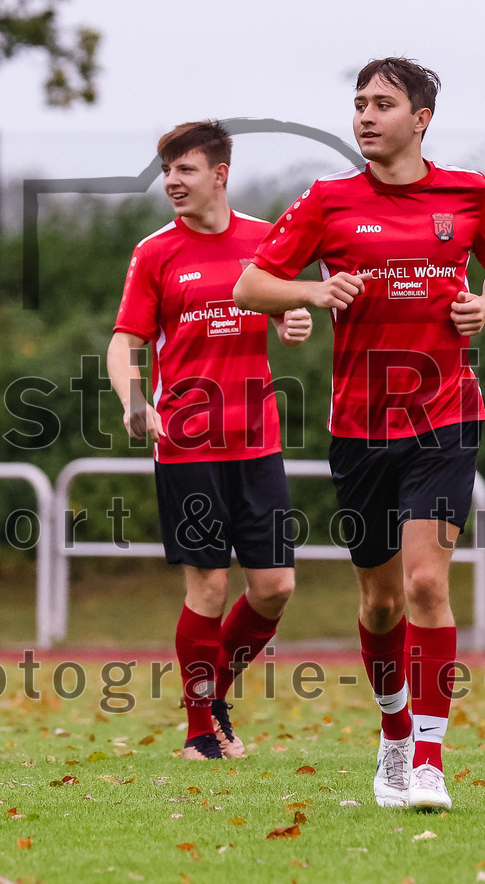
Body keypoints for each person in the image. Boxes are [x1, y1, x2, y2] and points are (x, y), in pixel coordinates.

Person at [234, 58, 485, 808]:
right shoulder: (328, 201)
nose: (364, 116)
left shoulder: (468, 192)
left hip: (447, 415)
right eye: (359, 103)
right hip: (359, 429)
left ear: (420, 118)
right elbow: (250, 285)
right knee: (382, 603)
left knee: (429, 583)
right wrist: (311, 288)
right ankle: (393, 734)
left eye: (382, 104)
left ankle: (428, 760)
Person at [107, 120, 313, 761]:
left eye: (185, 169)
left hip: (258, 443)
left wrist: (295, 317)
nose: (171, 181)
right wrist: (134, 400)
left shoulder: (263, 240)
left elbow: (287, 307)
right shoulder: (154, 252)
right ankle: (201, 733)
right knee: (208, 589)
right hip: (188, 444)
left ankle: (211, 692)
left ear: (220, 175)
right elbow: (125, 341)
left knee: (276, 587)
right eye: (167, 170)